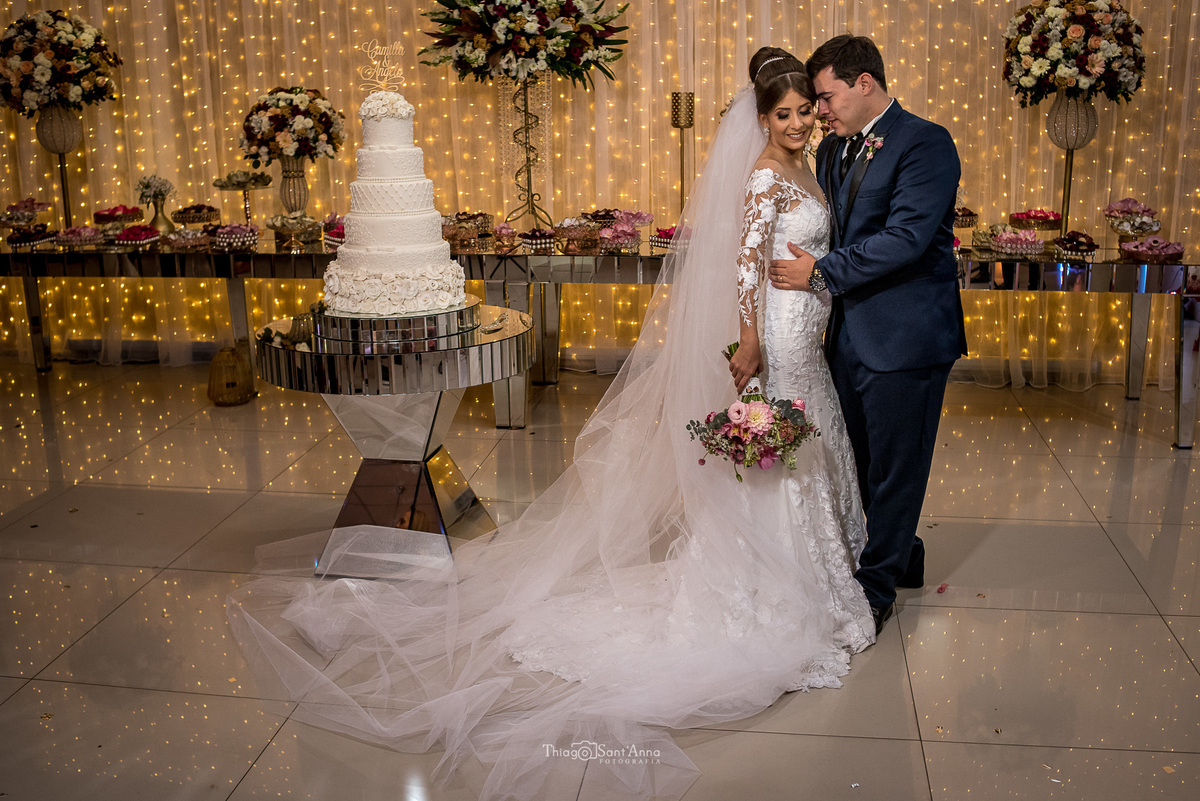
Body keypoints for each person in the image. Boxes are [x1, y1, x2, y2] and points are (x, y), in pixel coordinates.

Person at [228, 47, 871, 801]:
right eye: (785, 114)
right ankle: (772, 591)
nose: (798, 124)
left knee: (805, 446)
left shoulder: (811, 162)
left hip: (808, 332)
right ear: (761, 120)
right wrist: (752, 338)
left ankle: (812, 575)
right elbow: (742, 262)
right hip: (778, 334)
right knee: (779, 456)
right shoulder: (764, 173)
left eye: (804, 111)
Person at [767, 35, 967, 634]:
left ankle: (874, 589)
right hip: (848, 332)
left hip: (906, 335)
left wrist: (821, 273)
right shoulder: (833, 150)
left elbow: (906, 238)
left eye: (824, 97)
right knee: (860, 459)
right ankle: (901, 555)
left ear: (865, 83)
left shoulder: (925, 142)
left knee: (897, 467)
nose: (818, 111)